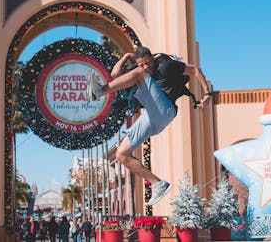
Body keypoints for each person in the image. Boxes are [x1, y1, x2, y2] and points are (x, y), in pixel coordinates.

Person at [86, 46, 212, 205]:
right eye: (142, 64)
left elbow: (194, 70)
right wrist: (125, 57)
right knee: (121, 154)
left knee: (138, 75)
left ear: (152, 57)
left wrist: (207, 94)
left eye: (147, 62)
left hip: (165, 110)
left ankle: (98, 92)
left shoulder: (165, 66)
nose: (146, 67)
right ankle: (158, 184)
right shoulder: (140, 69)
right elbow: (115, 75)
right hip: (152, 116)